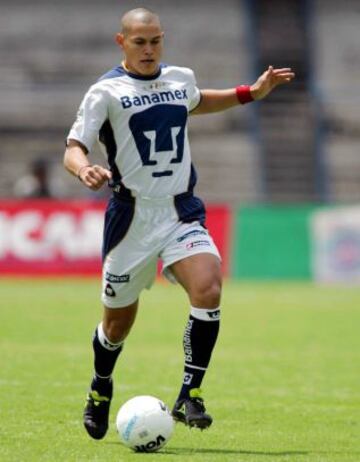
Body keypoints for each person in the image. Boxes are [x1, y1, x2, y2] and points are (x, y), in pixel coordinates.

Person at [63, 8, 294, 440]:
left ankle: (191, 393)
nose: (148, 49)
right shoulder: (105, 92)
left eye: (155, 41)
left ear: (162, 39)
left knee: (208, 286)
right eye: (139, 42)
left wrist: (251, 92)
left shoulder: (179, 78)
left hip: (180, 210)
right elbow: (74, 146)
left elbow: (198, 101)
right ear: (122, 41)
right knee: (115, 327)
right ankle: (100, 387)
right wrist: (84, 170)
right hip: (131, 218)